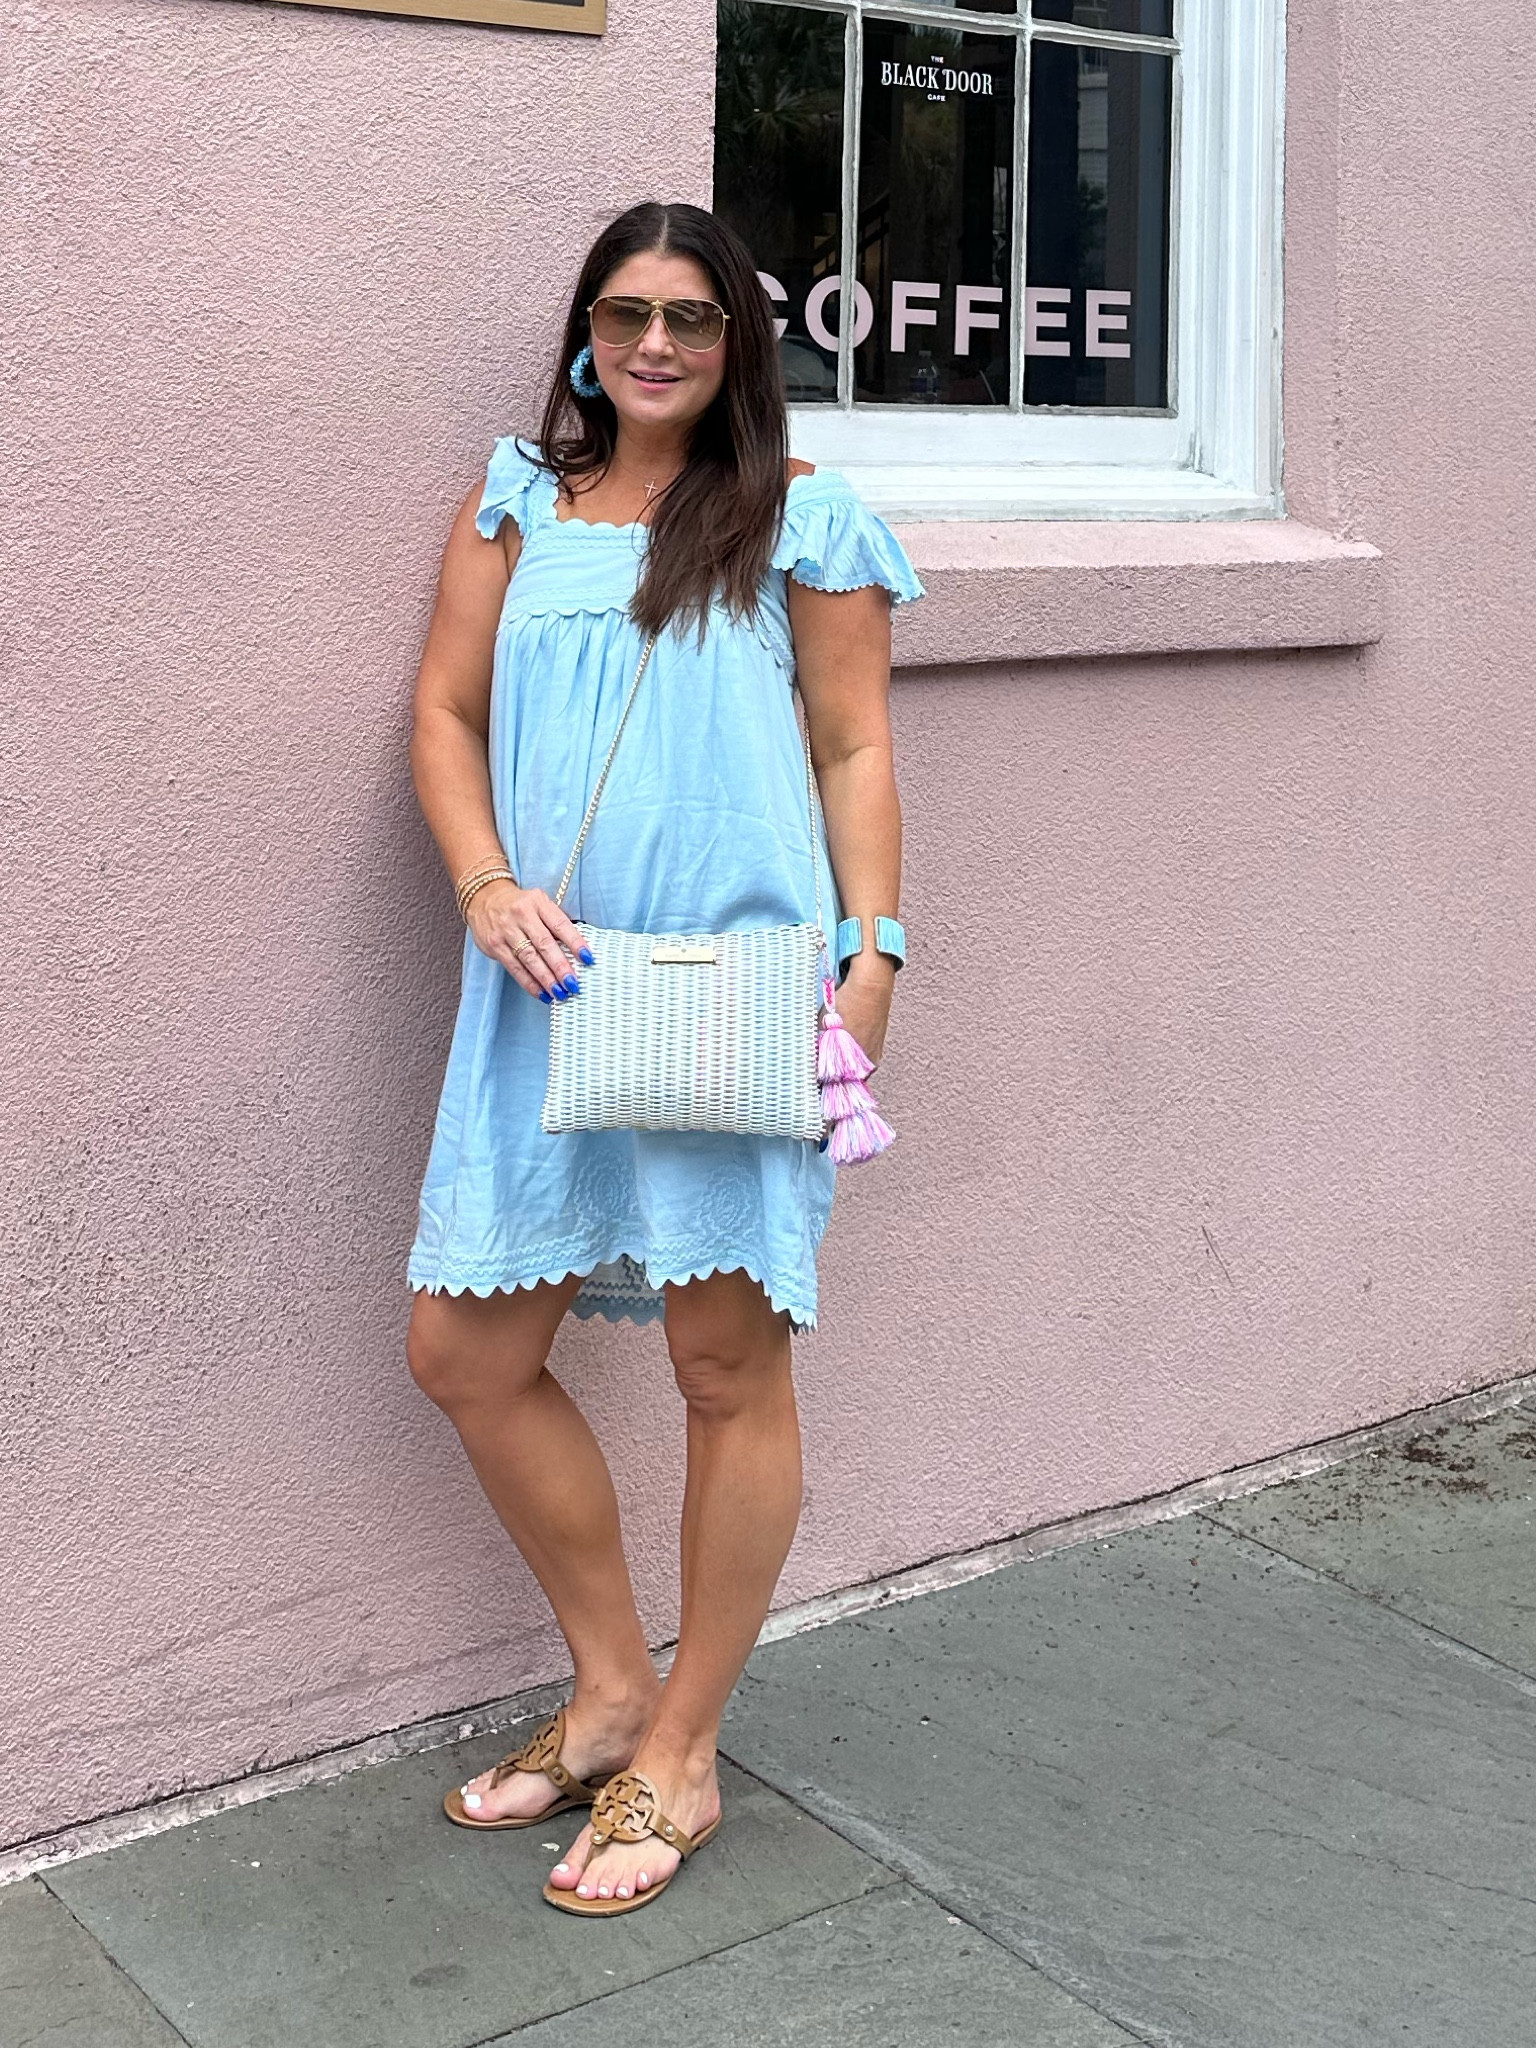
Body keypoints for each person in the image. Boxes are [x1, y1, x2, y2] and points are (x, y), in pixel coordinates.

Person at [404, 200, 922, 1917]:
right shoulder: (518, 508)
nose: (655, 345)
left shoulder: (797, 521)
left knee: (724, 1372)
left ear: (737, 345)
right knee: (464, 1353)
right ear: (582, 334)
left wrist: (875, 958)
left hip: (736, 991)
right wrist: (482, 879)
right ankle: (610, 1681)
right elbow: (445, 714)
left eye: (692, 320)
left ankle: (681, 1753)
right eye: (626, 314)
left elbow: (853, 747)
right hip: (542, 990)